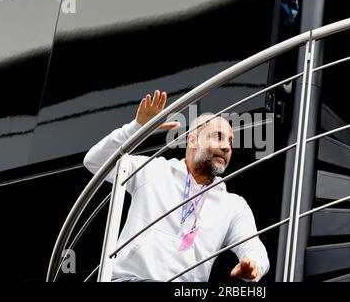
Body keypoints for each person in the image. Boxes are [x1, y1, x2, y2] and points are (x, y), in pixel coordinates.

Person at [84, 90, 269, 282]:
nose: (227, 147)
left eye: (230, 141)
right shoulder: (154, 170)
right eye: (218, 137)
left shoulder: (232, 205)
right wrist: (136, 128)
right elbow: (94, 162)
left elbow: (254, 248)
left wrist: (254, 266)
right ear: (192, 140)